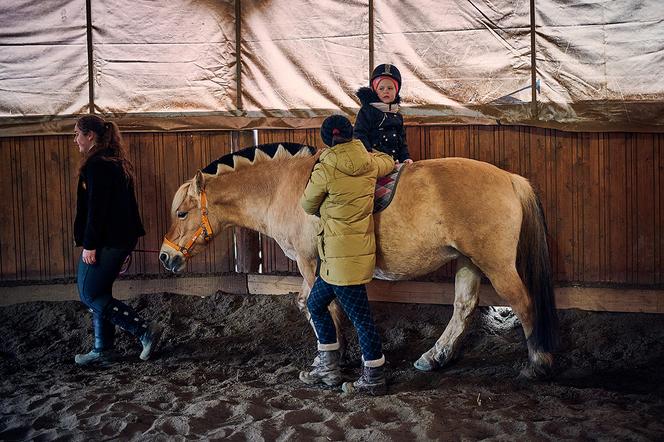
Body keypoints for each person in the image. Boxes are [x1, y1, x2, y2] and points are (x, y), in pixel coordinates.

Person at [299, 115, 395, 395]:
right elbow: (388, 161)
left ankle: (374, 376)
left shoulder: (326, 167)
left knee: (362, 320)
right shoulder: (368, 162)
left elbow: (307, 203)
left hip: (341, 261)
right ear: (352, 135)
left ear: (327, 140)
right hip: (338, 260)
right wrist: (375, 153)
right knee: (315, 305)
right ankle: (328, 368)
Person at [73, 114, 161, 366]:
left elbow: (96, 210)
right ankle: (103, 349)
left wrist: (90, 244)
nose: (75, 140)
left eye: (77, 134)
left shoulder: (97, 166)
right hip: (119, 239)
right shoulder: (115, 162)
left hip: (107, 241)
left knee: (89, 294)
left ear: (90, 135)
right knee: (99, 291)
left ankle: (144, 330)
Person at [354, 63, 413, 164]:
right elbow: (360, 134)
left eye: (390, 88)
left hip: (396, 162)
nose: (386, 91)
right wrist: (368, 153)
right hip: (374, 160)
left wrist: (405, 157)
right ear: (375, 91)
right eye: (381, 88)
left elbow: (402, 141)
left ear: (396, 91)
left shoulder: (397, 115)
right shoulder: (367, 111)